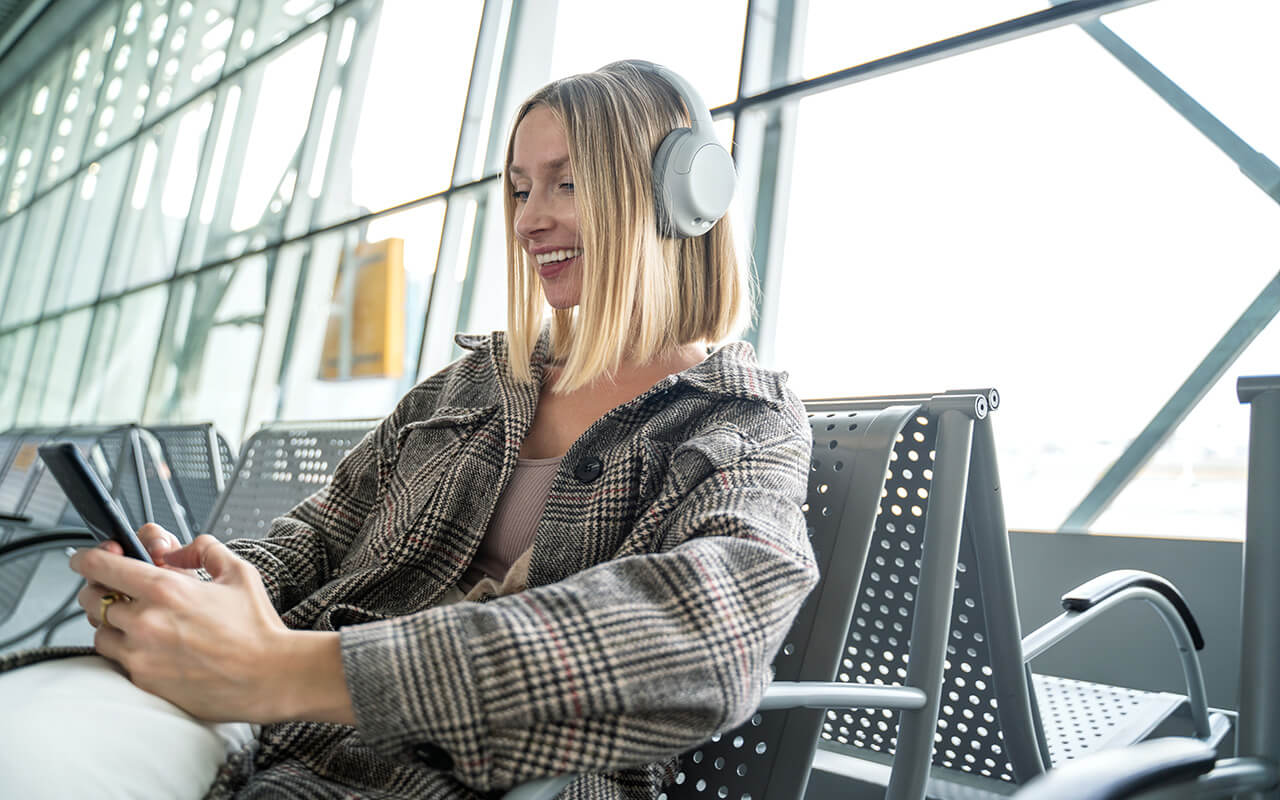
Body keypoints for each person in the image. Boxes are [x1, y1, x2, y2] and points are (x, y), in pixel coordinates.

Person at [0, 59, 817, 799]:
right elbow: (322, 535)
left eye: (567, 184)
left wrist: (289, 669)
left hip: (478, 774)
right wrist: (197, 595)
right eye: (520, 188)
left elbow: (706, 637)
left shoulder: (741, 418)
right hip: (278, 726)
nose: (531, 220)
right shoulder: (472, 382)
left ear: (681, 199)